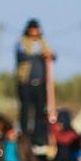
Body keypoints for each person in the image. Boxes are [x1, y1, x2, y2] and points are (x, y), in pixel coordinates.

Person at [15, 19, 53, 147]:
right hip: (26, 82)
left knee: (40, 111)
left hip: (41, 83)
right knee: (26, 110)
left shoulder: (43, 42)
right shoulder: (22, 42)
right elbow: (23, 56)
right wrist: (40, 55)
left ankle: (39, 137)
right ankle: (25, 135)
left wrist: (49, 55)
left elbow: (51, 55)